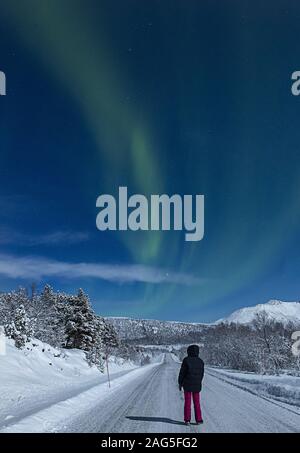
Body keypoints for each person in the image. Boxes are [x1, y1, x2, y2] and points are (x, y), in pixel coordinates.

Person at [178, 344, 204, 425]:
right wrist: (198, 381)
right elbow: (202, 374)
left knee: (188, 403)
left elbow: (182, 373)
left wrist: (180, 383)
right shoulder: (200, 361)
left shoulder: (186, 360)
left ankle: (187, 420)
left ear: (188, 351)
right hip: (197, 385)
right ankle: (198, 419)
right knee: (197, 403)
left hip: (187, 385)